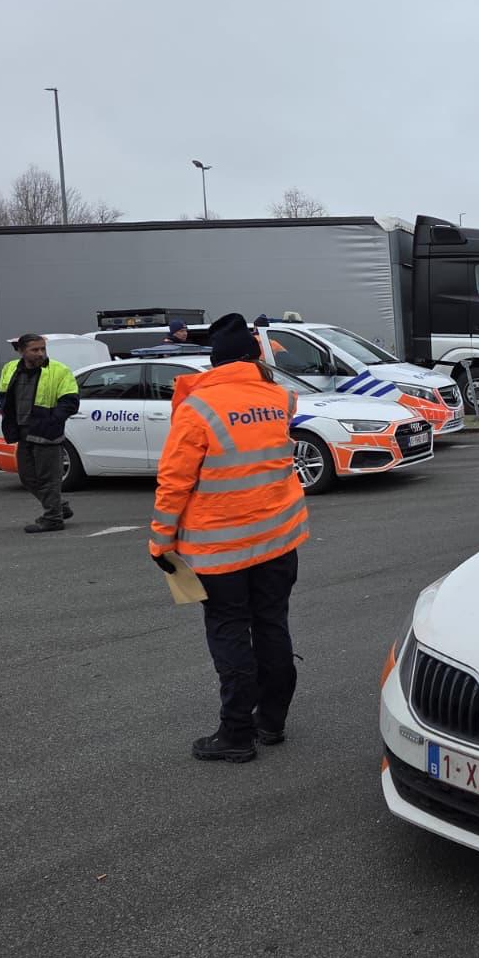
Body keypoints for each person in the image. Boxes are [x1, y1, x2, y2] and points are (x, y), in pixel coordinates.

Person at [149, 313, 310, 762]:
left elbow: (174, 481)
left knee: (230, 633)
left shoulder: (198, 409)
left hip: (220, 551)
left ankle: (237, 734)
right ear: (255, 357)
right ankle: (271, 721)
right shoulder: (280, 399)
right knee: (272, 626)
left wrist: (160, 541)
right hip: (278, 540)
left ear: (214, 362)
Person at [0, 334, 79, 533]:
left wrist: (52, 421)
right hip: (23, 431)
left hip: (47, 432)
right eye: (35, 350)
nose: (40, 353)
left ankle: (53, 518)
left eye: (42, 349)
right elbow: (3, 396)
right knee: (27, 477)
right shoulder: (10, 369)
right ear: (21, 351)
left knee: (49, 478)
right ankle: (58, 508)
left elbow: (70, 402)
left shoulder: (58, 370)